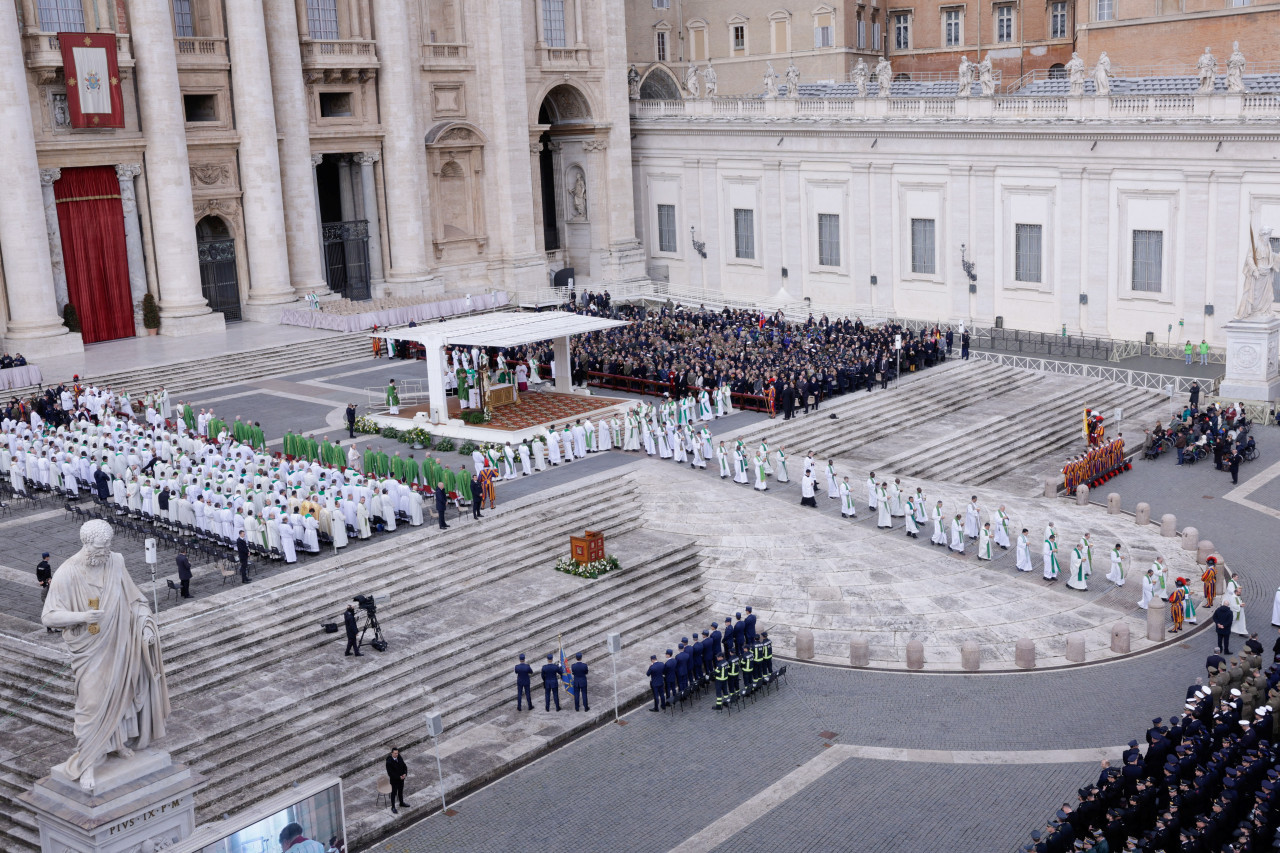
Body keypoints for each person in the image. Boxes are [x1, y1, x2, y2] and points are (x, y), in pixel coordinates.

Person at [40, 520, 169, 791]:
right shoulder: (68, 572)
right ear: (86, 544)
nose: (106, 551)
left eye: (109, 545)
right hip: (89, 650)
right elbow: (49, 615)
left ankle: (118, 743)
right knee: (91, 704)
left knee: (121, 695)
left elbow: (135, 600)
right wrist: (82, 616)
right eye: (101, 547)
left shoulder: (116, 561)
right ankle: (86, 762)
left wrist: (145, 626)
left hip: (119, 641)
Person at [385, 747, 408, 814]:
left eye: (397, 753)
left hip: (401, 779)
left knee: (400, 791)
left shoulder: (399, 757)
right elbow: (390, 773)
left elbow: (404, 766)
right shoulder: (389, 762)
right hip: (394, 781)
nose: (396, 754)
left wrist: (405, 773)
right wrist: (399, 777)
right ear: (392, 753)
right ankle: (393, 807)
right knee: (393, 794)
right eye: (395, 753)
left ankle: (401, 803)